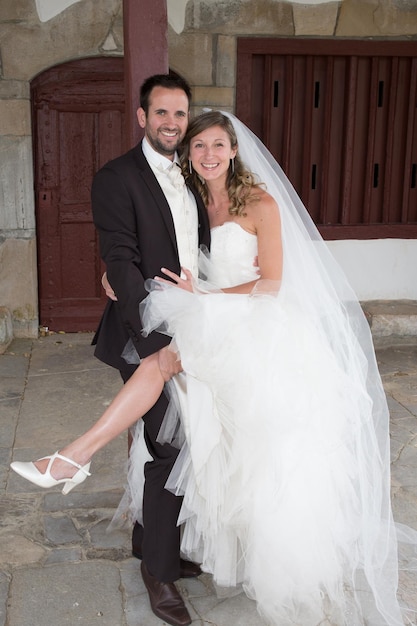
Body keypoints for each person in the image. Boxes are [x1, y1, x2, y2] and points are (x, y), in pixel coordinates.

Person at [11, 111, 414, 625]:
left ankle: (75, 457)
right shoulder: (189, 200)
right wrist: (116, 275)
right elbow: (146, 243)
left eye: (217, 145)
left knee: (224, 424)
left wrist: (207, 296)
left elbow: (271, 283)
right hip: (196, 311)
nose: (208, 155)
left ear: (234, 150)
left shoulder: (260, 204)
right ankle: (84, 466)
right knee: (180, 414)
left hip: (247, 318)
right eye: (198, 146)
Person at [12, 74, 210, 626]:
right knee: (169, 445)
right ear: (141, 116)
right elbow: (121, 260)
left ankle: (151, 545)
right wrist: (155, 344)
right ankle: (159, 574)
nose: (172, 122)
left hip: (203, 324)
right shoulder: (115, 177)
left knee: (189, 438)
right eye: (162, 112)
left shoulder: (195, 173)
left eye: (180, 114)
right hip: (147, 330)